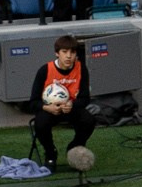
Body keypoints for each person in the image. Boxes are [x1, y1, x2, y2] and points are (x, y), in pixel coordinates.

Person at [29, 35, 94, 171]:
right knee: (40, 123)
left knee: (89, 120)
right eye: (64, 52)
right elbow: (33, 102)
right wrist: (47, 107)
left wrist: (72, 105)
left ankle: (74, 148)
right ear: (57, 53)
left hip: (71, 108)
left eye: (72, 52)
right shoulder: (45, 70)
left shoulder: (81, 69)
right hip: (50, 110)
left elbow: (85, 98)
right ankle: (50, 153)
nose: (69, 56)